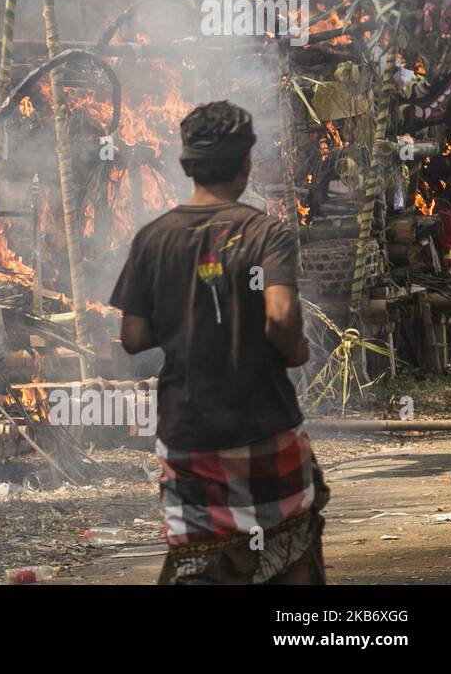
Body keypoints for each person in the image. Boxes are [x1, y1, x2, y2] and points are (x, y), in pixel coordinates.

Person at [109, 100, 328, 584]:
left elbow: (133, 336)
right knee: (290, 551)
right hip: (265, 426)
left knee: (201, 563)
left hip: (191, 439)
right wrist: (294, 351)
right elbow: (281, 314)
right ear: (247, 164)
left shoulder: (152, 238)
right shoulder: (266, 233)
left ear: (186, 165)